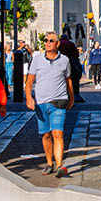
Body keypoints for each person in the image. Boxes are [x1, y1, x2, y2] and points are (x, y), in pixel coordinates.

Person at [26, 33, 75, 178]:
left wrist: (71, 98)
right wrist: (29, 97)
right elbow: (29, 81)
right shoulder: (37, 60)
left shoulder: (64, 60)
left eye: (51, 41)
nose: (47, 43)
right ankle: (49, 163)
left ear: (57, 44)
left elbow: (68, 80)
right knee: (46, 135)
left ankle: (59, 166)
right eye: (46, 40)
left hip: (59, 101)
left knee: (58, 133)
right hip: (41, 103)